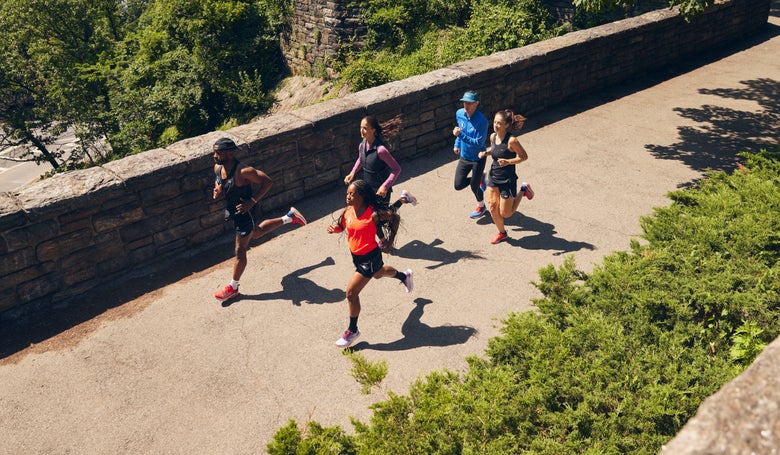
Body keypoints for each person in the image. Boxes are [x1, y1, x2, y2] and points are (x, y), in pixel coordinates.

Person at [211, 137, 307, 301]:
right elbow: (219, 179)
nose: (214, 155)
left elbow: (267, 182)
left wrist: (252, 201)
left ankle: (232, 287)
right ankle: (290, 217)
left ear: (229, 153)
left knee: (240, 251)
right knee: (256, 233)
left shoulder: (243, 171)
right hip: (234, 211)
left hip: (246, 212)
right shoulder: (218, 168)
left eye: (218, 152)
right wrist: (218, 188)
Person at [326, 179, 413, 348]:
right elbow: (341, 226)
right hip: (357, 257)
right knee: (379, 273)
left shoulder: (373, 214)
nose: (348, 197)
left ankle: (352, 330)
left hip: (369, 257)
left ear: (363, 196)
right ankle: (404, 275)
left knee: (351, 293)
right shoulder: (348, 212)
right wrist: (333, 229)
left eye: (352, 194)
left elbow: (394, 217)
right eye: (347, 194)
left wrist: (389, 242)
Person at [477, 110, 535, 244]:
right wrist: (486, 152)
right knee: (492, 207)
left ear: (507, 125)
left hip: (507, 180)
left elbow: (523, 157)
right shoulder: (493, 137)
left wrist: (508, 161)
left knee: (506, 213)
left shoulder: (512, 141)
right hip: (494, 176)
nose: (496, 125)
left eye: (499, 123)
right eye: (495, 122)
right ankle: (502, 233)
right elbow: (495, 150)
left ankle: (524, 190)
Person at [344, 115, 418, 211]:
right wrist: (352, 172)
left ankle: (404, 198)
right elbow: (361, 159)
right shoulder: (362, 145)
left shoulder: (381, 150)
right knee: (369, 216)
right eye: (361, 127)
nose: (361, 131)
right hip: (367, 188)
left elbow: (396, 169)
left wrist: (385, 186)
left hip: (381, 190)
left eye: (365, 128)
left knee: (383, 217)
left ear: (373, 130)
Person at [452, 90, 489, 218]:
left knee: (474, 186)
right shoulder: (459, 114)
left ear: (476, 103)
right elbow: (460, 130)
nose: (466, 106)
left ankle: (481, 206)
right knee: (458, 185)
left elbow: (478, 143)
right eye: (464, 103)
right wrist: (457, 144)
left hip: (478, 158)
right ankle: (480, 179)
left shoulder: (482, 121)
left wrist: (460, 135)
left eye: (469, 103)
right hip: (464, 157)